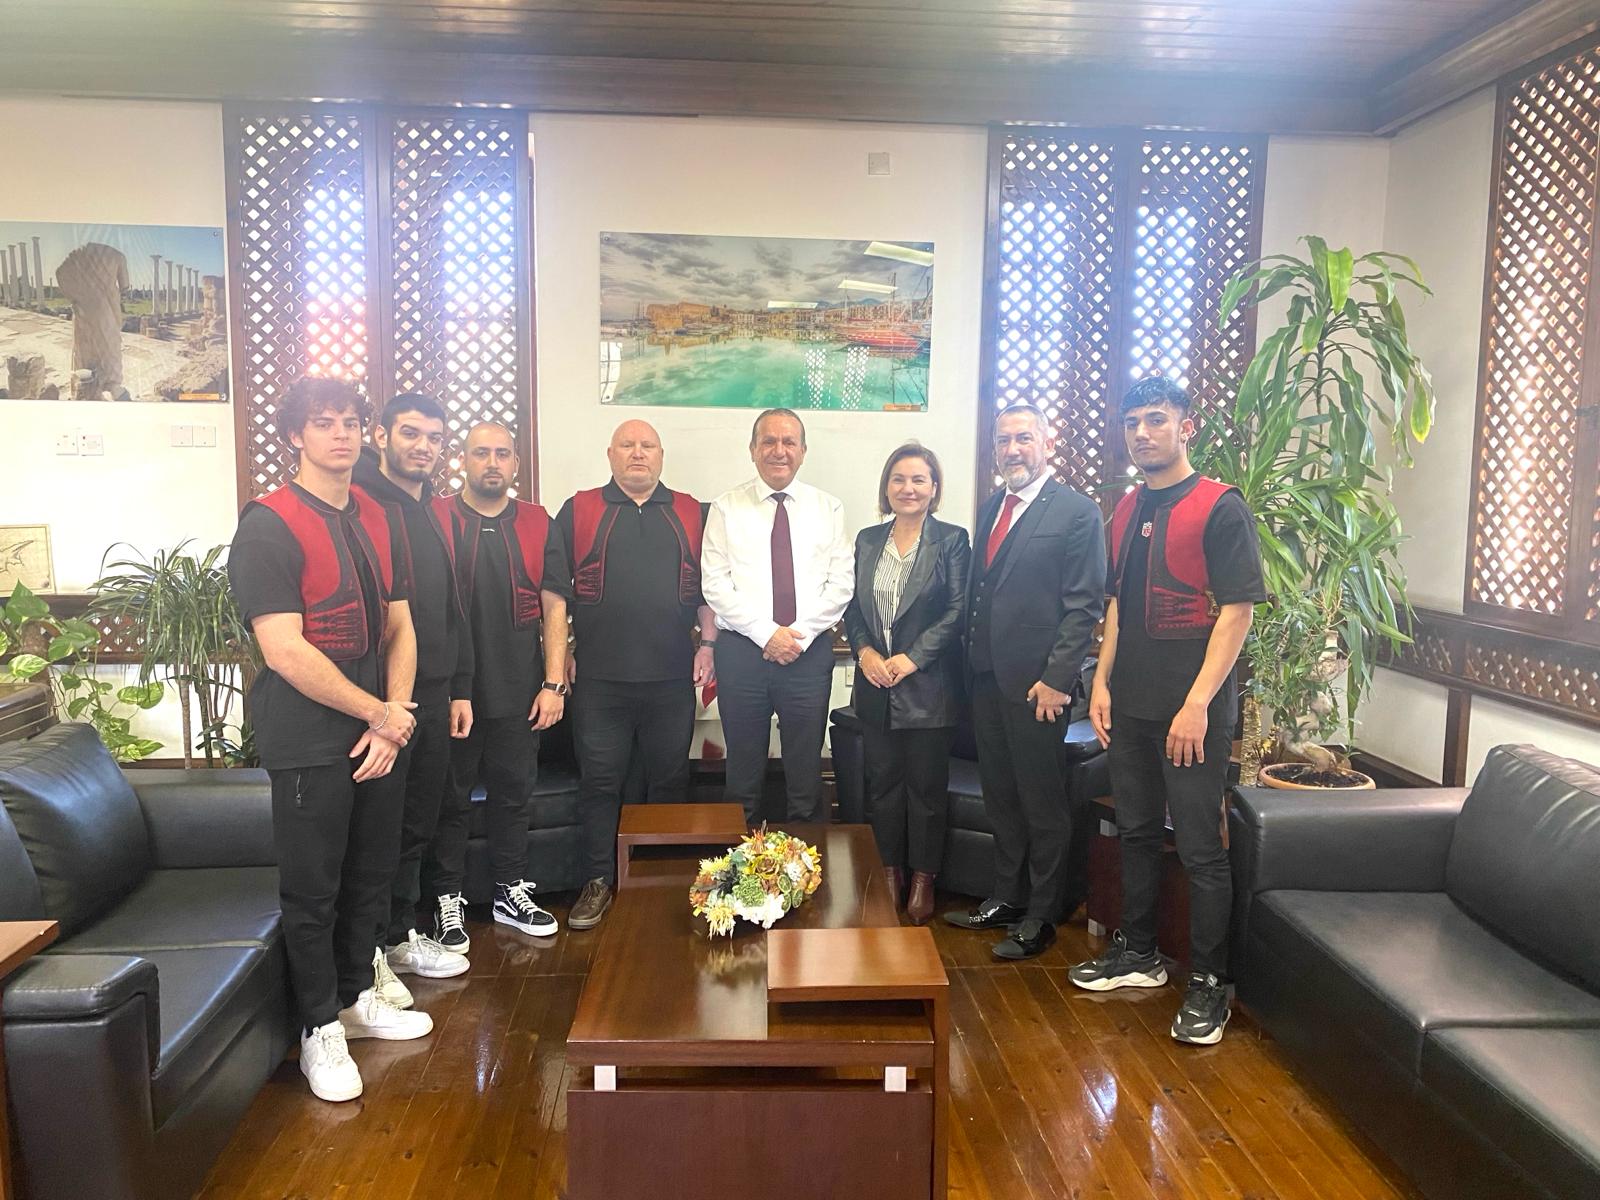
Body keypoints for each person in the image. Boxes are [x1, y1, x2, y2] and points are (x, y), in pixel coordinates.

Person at [228, 376, 432, 1104]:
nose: (341, 434)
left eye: (350, 422)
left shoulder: (380, 515)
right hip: (309, 735)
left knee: (371, 875)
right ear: (295, 435)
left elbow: (401, 624)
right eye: (324, 423)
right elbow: (284, 649)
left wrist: (394, 712)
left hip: (381, 728)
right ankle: (318, 1027)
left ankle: (353, 998)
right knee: (314, 889)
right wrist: (378, 712)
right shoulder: (268, 525)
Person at [1068, 376, 1265, 1046]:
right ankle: (1139, 952)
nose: (1142, 433)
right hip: (1131, 706)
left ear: (1186, 427)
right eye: (1132, 422)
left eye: (1156, 419)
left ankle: (1210, 983)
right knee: (1137, 832)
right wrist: (1101, 683)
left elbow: (1236, 614)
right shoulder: (1126, 509)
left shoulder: (1220, 507)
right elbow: (1117, 607)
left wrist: (1197, 704)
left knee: (1203, 848)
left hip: (1193, 715)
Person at [945, 403, 1105, 960]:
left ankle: (1042, 915)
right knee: (1001, 797)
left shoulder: (1078, 513)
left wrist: (1058, 679)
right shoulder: (993, 507)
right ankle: (1007, 897)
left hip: (1040, 688)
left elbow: (1084, 606)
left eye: (1023, 438)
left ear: (1047, 443)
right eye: (1003, 440)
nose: (1012, 449)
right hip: (986, 680)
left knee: (1042, 803)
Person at [546, 420, 717, 929]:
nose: (637, 453)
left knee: (669, 778)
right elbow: (555, 594)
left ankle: (661, 881)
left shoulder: (692, 511)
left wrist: (709, 645)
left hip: (671, 678)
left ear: (661, 455)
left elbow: (710, 589)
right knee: (600, 782)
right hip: (599, 681)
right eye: (627, 445)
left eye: (647, 446)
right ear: (610, 454)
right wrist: (562, 654)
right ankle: (597, 881)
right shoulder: (578, 509)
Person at [423, 422, 569, 944]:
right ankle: (447, 897)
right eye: (481, 453)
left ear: (515, 464)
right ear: (462, 460)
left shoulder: (537, 522)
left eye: (502, 454)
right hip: (451, 692)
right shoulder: (435, 517)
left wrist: (554, 683)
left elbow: (555, 606)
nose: (492, 463)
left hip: (519, 688)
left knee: (513, 795)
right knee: (450, 799)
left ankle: (510, 890)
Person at [352, 393, 471, 991]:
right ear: (381, 435)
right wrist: (379, 707)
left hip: (435, 692)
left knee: (418, 821)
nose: (423, 447)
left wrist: (459, 687)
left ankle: (399, 937)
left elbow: (450, 608)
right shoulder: (360, 503)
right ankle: (367, 955)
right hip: (382, 700)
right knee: (381, 830)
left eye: (434, 437)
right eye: (410, 433)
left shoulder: (431, 509)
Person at [702, 408, 853, 824]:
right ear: (752, 450)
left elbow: (841, 584)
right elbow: (715, 584)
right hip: (742, 654)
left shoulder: (828, 508)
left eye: (789, 442)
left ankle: (805, 862)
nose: (778, 450)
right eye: (768, 441)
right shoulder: (726, 508)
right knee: (742, 774)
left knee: (805, 775)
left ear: (803, 451)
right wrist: (767, 634)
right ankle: (740, 865)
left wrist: (795, 635)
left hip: (807, 653)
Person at [843, 443, 970, 925]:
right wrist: (865, 653)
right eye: (898, 479)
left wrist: (913, 659)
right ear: (887, 487)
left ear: (934, 488)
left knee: (926, 792)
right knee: (883, 788)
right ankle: (889, 873)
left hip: (929, 690)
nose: (908, 488)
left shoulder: (951, 540)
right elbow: (852, 607)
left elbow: (957, 611)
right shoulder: (867, 540)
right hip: (876, 686)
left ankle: (923, 879)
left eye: (919, 480)